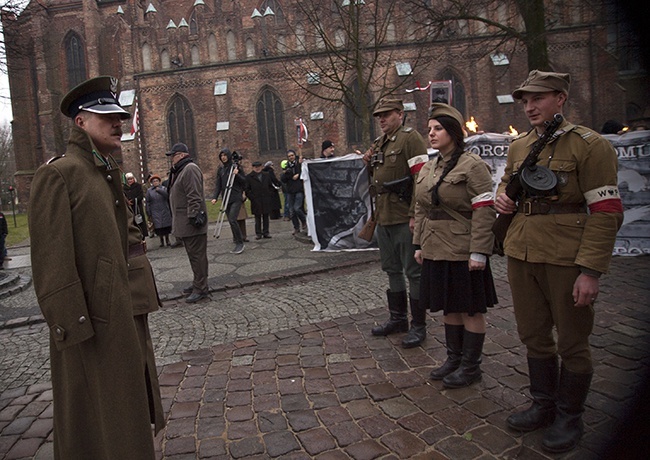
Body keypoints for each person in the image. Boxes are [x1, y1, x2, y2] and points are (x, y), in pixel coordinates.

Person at [28, 75, 163, 459]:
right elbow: (51, 264)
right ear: (80, 122)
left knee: (126, 414)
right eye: (106, 116)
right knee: (95, 421)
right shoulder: (60, 174)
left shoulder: (104, 172)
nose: (117, 122)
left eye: (119, 115)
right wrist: (74, 330)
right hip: (90, 329)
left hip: (120, 313)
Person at [495, 70, 623, 453]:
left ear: (560, 98)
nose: (530, 107)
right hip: (522, 252)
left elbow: (606, 211)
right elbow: (508, 182)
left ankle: (570, 415)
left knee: (572, 339)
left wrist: (590, 270)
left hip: (567, 256)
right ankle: (542, 404)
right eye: (525, 100)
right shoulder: (520, 146)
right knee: (533, 334)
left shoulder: (590, 145)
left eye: (538, 98)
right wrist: (503, 196)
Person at [413, 103, 498, 388]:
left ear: (452, 131)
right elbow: (422, 209)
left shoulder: (472, 165)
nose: (432, 134)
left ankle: (471, 366)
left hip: (464, 247)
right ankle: (454, 358)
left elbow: (485, 210)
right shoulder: (428, 166)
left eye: (438, 129)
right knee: (449, 306)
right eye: (429, 130)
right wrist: (419, 245)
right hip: (436, 247)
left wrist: (479, 251)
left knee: (470, 308)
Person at [361, 97, 429, 348]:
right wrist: (368, 161)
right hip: (385, 216)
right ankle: (398, 319)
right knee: (392, 270)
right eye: (378, 116)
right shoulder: (379, 143)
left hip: (404, 216)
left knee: (414, 272)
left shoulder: (410, 139)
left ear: (400, 114)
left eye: (386, 115)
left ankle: (419, 325)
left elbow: (421, 180)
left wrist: (415, 214)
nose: (381, 119)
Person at [167, 142, 210, 303]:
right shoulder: (182, 170)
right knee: (194, 256)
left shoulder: (189, 169)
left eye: (173, 155)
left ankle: (201, 288)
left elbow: (194, 196)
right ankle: (198, 283)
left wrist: (193, 217)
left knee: (197, 256)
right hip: (186, 223)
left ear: (182, 155)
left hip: (192, 223)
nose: (172, 159)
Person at [211, 147, 247, 254]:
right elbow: (218, 185)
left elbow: (244, 181)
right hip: (226, 198)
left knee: (232, 219)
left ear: (229, 156)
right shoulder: (221, 170)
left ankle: (240, 242)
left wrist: (237, 175)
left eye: (225, 155)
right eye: (221, 156)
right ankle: (236, 239)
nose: (223, 157)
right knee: (231, 220)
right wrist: (215, 197)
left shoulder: (236, 167)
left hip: (235, 197)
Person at [247, 160, 281, 239]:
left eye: (259, 167)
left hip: (265, 198)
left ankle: (266, 232)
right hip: (256, 199)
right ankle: (258, 233)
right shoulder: (249, 177)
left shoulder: (266, 175)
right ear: (253, 168)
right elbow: (247, 189)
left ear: (261, 167)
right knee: (257, 217)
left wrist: (269, 194)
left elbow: (270, 186)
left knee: (266, 216)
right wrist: (252, 197)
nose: (257, 168)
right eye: (256, 167)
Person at [281, 149, 308, 235]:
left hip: (299, 189)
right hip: (290, 191)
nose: (291, 157)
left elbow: (303, 172)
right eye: (289, 156)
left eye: (292, 155)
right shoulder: (287, 166)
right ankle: (296, 227)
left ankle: (304, 220)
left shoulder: (299, 164)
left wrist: (298, 173)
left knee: (297, 208)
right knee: (292, 211)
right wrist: (286, 174)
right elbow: (283, 180)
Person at [145, 174, 173, 247]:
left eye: (157, 181)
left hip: (164, 209)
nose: (155, 182)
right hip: (155, 211)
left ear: (159, 181)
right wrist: (148, 211)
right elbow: (148, 201)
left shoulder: (164, 188)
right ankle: (161, 241)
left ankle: (167, 240)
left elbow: (167, 196)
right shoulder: (149, 191)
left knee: (166, 227)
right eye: (154, 181)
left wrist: (160, 191)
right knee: (159, 227)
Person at [123, 172, 148, 240]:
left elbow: (140, 196)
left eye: (131, 179)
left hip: (137, 207)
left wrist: (134, 200)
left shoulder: (138, 186)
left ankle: (143, 236)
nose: (130, 181)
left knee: (140, 222)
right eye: (128, 179)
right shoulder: (124, 188)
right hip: (130, 208)